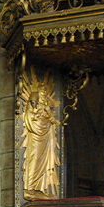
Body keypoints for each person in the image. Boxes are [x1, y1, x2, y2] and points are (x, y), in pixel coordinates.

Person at [21, 70, 61, 199]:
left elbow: (51, 118)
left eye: (45, 90)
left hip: (46, 134)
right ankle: (30, 187)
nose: (43, 92)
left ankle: (40, 188)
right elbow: (30, 113)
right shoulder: (34, 97)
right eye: (42, 90)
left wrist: (50, 118)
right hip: (36, 134)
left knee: (45, 161)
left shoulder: (47, 105)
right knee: (35, 159)